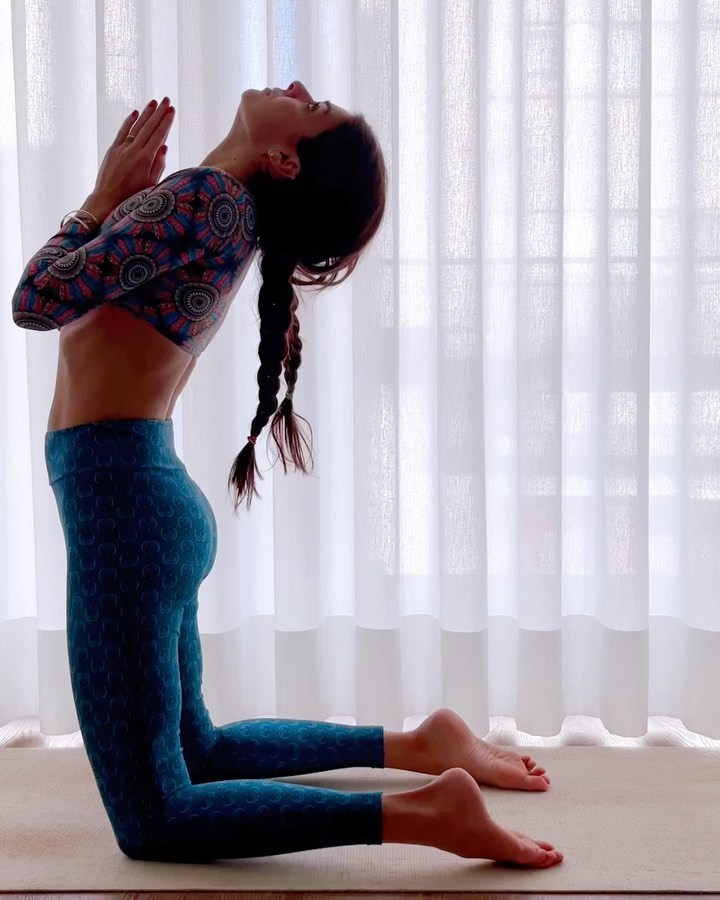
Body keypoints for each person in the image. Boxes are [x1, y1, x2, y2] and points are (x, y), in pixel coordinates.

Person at [11, 82, 563, 867]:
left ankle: (426, 813)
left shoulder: (207, 201)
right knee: (197, 752)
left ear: (283, 158)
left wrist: (101, 197)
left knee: (152, 819)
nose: (299, 90)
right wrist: (115, 202)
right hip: (138, 499)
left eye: (311, 111)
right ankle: (418, 746)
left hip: (122, 512)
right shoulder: (216, 205)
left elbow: (36, 300)